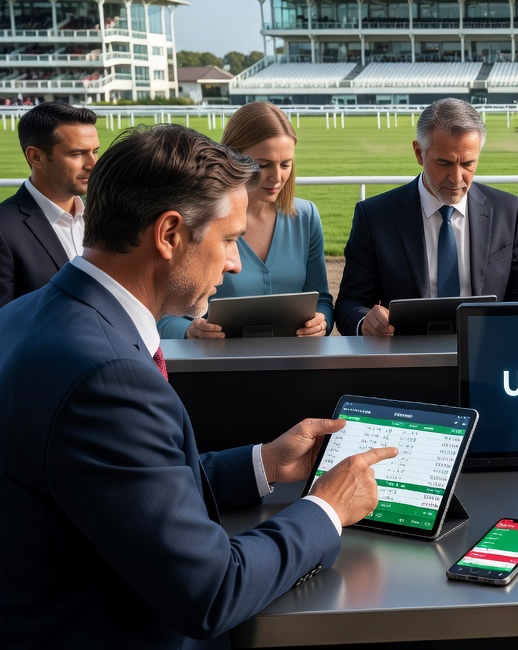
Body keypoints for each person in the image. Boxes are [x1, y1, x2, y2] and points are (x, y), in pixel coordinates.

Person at [0, 124, 396, 649]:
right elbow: (212, 592)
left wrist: (263, 463)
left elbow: (130, 485)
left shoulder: (31, 314)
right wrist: (327, 508)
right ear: (169, 234)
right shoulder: (107, 376)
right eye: (229, 239)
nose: (234, 262)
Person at [335, 98, 518, 336]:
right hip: (407, 361)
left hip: (488, 354)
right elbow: (350, 304)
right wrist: (366, 322)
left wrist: (503, 330)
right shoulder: (374, 216)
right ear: (418, 153)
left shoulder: (509, 210)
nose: (456, 178)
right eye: (444, 163)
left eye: (468, 163)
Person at [157, 102, 334, 339]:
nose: (277, 177)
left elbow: (322, 300)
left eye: (286, 164)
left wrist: (321, 324)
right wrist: (188, 331)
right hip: (220, 366)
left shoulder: (306, 216)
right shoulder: (199, 217)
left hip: (295, 366)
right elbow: (163, 313)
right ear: (231, 157)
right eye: (263, 165)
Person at [0, 101, 99, 307]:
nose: (92, 164)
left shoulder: (105, 215)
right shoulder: (4, 229)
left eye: (95, 151)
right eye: (77, 153)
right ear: (36, 157)